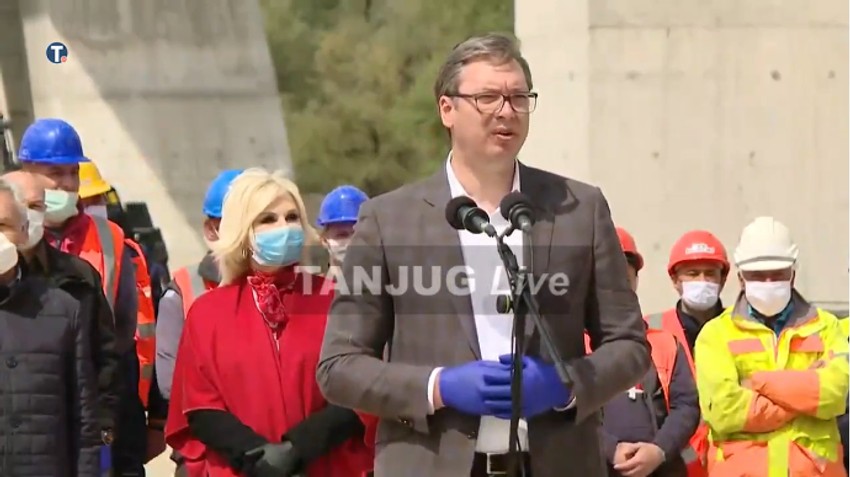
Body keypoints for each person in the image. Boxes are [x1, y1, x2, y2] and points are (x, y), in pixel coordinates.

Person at [317, 33, 650, 477]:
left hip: (555, 462)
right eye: (487, 97)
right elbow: (339, 368)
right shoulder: (387, 220)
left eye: (518, 98)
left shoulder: (579, 208)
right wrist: (438, 386)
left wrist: (563, 384)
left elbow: (629, 345)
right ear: (447, 109)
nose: (506, 111)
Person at [165, 168, 374, 477]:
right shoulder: (207, 313)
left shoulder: (335, 299)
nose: (284, 227)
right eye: (268, 219)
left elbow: (361, 390)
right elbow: (200, 407)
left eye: (292, 217)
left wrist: (297, 449)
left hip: (327, 467)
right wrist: (257, 458)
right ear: (243, 232)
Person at [17, 118, 142, 476]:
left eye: (73, 173)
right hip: (28, 403)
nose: (67, 184)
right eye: (55, 173)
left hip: (97, 398)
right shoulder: (9, 238)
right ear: (26, 172)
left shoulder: (110, 237)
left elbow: (124, 333)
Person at [695, 216, 849, 475]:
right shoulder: (715, 334)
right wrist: (804, 396)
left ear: (793, 274)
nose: (768, 283)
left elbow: (835, 395)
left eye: (777, 274)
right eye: (757, 275)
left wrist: (758, 383)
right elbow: (724, 411)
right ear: (741, 278)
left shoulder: (827, 326)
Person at [3, 169, 122, 444]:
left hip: (66, 432)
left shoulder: (78, 276)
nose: (29, 217)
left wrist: (104, 424)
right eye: (21, 207)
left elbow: (104, 356)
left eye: (37, 206)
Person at [77, 160, 169, 465]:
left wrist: (157, 420)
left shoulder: (131, 257)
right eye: (85, 201)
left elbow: (154, 336)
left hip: (127, 409)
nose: (94, 208)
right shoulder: (38, 260)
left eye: (98, 199)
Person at [593, 227, 700, 477]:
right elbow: (564, 413)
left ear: (635, 280)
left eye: (623, 277)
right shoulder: (573, 346)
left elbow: (686, 406)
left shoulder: (665, 344)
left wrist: (659, 450)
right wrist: (610, 449)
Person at [157, 168, 243, 476]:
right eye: (237, 224)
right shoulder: (183, 290)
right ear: (212, 229)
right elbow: (171, 384)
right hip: (203, 455)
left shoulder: (289, 290)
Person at [316, 185, 369, 277]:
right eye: (342, 235)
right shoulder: (313, 285)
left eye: (359, 234)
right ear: (324, 240)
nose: (351, 242)